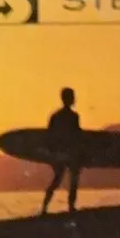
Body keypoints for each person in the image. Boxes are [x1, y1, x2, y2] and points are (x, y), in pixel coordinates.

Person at [41, 87, 82, 215]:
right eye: (72, 97)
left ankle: (44, 208)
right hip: (68, 152)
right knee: (72, 179)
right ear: (68, 99)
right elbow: (77, 135)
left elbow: (49, 134)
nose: (74, 99)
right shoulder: (73, 116)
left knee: (58, 179)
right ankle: (70, 207)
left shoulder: (55, 116)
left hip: (59, 152)